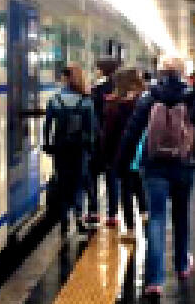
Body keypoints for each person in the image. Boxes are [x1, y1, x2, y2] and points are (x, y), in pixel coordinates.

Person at [117, 55, 195, 297]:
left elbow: (131, 133)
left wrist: (120, 167)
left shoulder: (148, 97)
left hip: (154, 165)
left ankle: (154, 280)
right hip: (183, 165)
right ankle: (181, 265)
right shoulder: (190, 98)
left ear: (160, 71)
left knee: (157, 218)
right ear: (181, 72)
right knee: (181, 215)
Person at [43, 63, 95, 238]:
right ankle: (79, 219)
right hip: (80, 149)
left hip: (60, 147)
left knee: (63, 183)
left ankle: (64, 221)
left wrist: (47, 144)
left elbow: (47, 124)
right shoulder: (86, 100)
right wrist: (91, 148)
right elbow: (91, 128)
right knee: (78, 184)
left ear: (65, 78)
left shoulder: (55, 99)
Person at [102, 66, 149, 232]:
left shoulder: (114, 105)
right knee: (138, 184)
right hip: (142, 151)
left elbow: (108, 134)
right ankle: (145, 216)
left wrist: (107, 157)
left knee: (126, 189)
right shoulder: (144, 101)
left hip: (122, 152)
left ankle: (130, 226)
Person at [85, 58, 120, 227]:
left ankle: (93, 211)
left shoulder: (96, 90)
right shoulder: (119, 89)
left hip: (97, 139)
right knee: (112, 177)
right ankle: (112, 214)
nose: (96, 70)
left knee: (93, 174)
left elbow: (92, 115)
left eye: (97, 68)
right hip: (114, 140)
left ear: (103, 70)